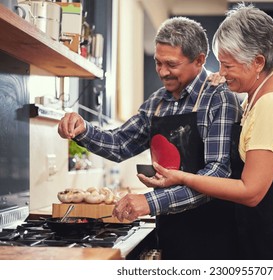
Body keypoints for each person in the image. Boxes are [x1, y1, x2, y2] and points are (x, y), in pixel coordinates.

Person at [139, 3, 273, 260]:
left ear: (257, 62)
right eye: (220, 64)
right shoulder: (260, 89)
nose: (221, 73)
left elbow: (250, 192)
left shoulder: (271, 105)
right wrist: (227, 79)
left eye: (227, 65)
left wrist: (183, 178)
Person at [57, 16, 242, 260]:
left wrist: (151, 202)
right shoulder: (157, 102)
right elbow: (121, 143)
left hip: (213, 232)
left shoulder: (218, 98)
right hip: (169, 229)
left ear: (199, 60)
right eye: (158, 63)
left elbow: (217, 174)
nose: (163, 72)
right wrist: (83, 130)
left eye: (171, 64)